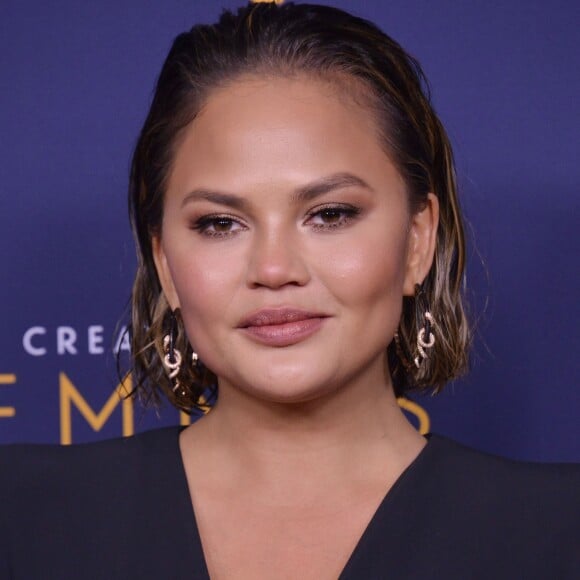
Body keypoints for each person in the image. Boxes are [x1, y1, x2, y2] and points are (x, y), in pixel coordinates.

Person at [1, 2, 578, 578]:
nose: (274, 269)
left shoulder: (558, 531)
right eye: (220, 223)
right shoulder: (21, 518)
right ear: (165, 263)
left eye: (329, 214)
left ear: (418, 241)